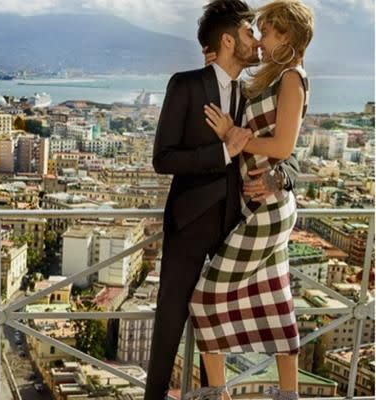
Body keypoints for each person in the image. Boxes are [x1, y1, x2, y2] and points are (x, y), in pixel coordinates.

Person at [145, 1, 301, 399]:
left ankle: (212, 394)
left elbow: (287, 151)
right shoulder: (186, 84)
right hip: (190, 221)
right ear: (229, 41)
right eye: (251, 32)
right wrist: (224, 152)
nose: (257, 41)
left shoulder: (255, 92)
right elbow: (162, 158)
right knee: (171, 320)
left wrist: (277, 178)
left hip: (238, 221)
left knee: (212, 313)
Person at [185, 1, 314, 400]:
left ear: (287, 37)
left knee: (204, 298)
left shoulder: (292, 78)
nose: (260, 38)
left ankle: (216, 393)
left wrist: (232, 135)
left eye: (268, 31)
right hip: (259, 204)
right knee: (276, 298)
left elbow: (283, 144)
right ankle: (288, 393)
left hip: (269, 210)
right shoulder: (271, 78)